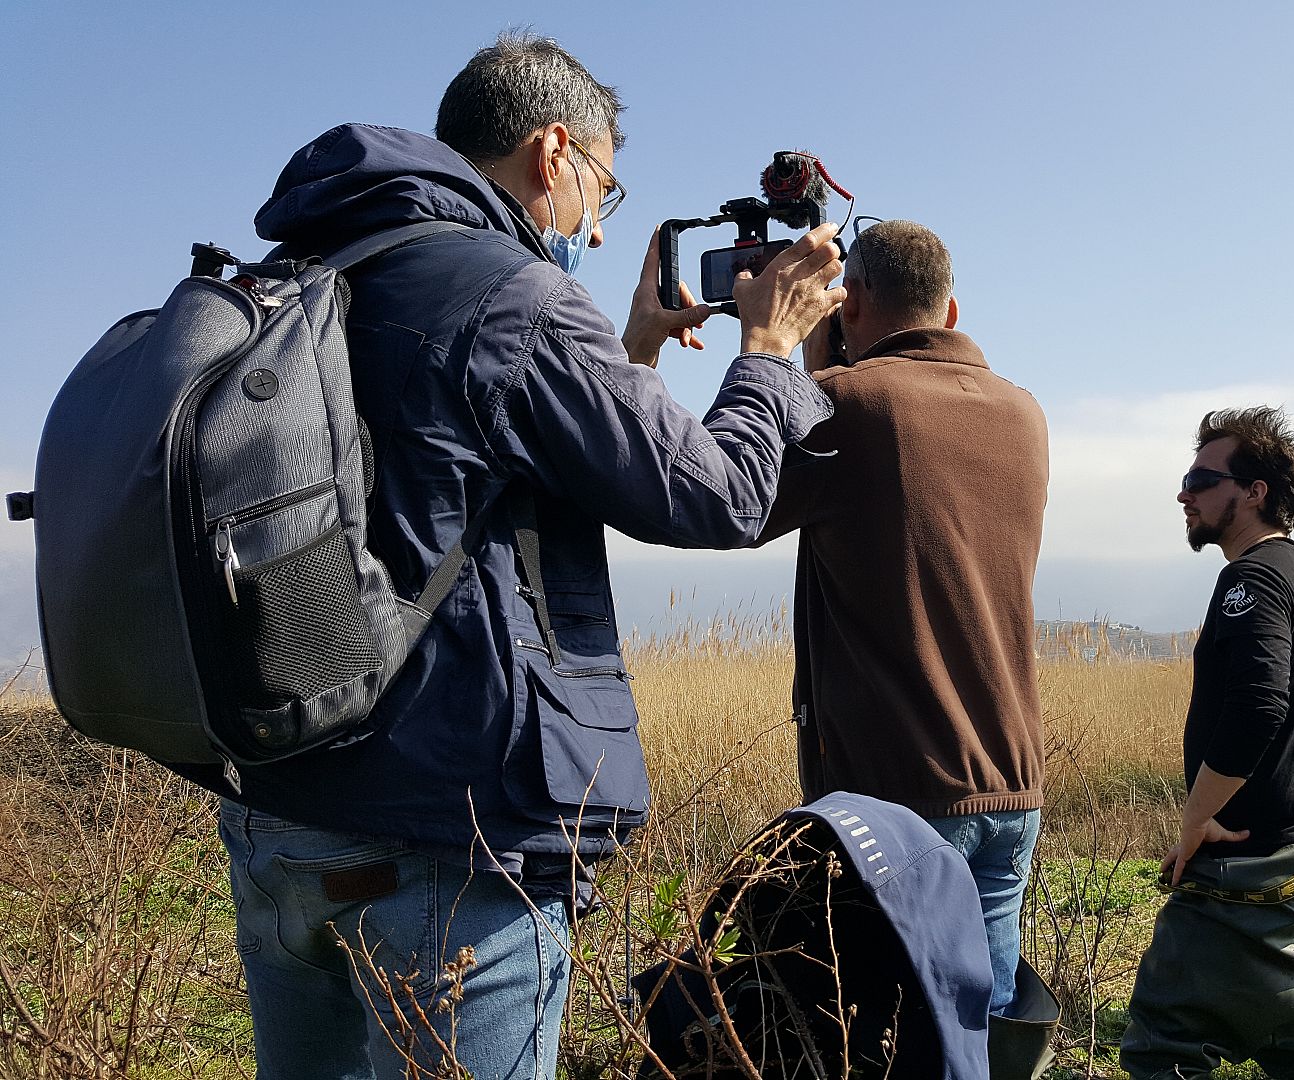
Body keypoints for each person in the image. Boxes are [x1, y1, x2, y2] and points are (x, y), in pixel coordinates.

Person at [190, 33, 844, 1080]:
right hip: (448, 846)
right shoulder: (517, 296)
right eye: (603, 187)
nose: (593, 220)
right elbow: (717, 497)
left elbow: (462, 472)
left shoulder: (320, 267)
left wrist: (622, 351)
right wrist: (768, 352)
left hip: (276, 819)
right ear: (553, 154)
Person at [755, 220, 1050, 1034]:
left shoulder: (852, 404)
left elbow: (729, 502)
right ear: (950, 311)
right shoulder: (1023, 413)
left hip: (899, 795)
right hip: (1011, 782)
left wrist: (790, 359)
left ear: (850, 305)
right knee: (975, 1035)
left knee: (889, 1038)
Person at [1120, 406, 1294, 1080]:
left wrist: (1197, 818)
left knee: (1166, 1043)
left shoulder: (1254, 580)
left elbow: (1257, 705)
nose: (1183, 493)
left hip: (1252, 868)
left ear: (1255, 492)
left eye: (1199, 478)